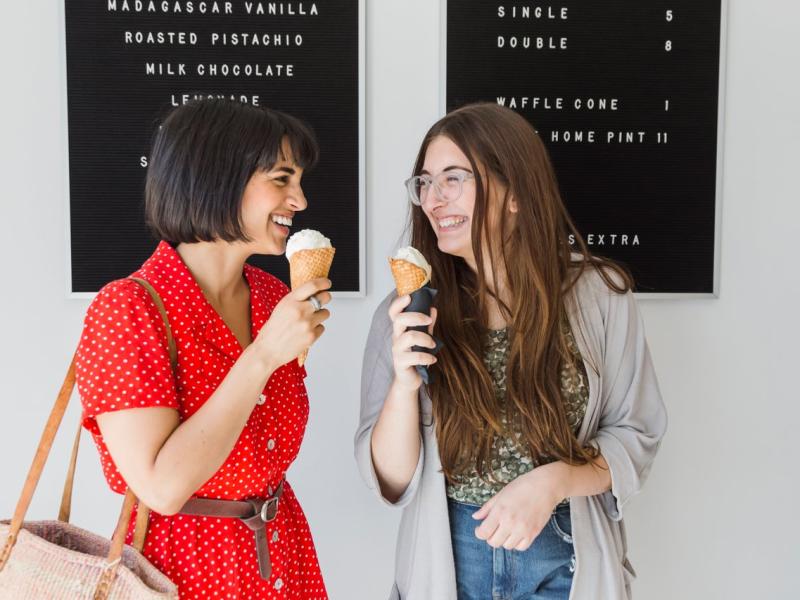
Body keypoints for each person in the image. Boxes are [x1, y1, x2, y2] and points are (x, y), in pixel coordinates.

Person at [356, 103, 667, 600]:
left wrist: (555, 481)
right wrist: (403, 382)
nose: (433, 199)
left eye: (453, 178)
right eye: (425, 183)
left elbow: (636, 435)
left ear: (517, 192)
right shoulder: (405, 314)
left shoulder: (600, 295)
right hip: (452, 559)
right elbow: (393, 482)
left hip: (566, 556)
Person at [75, 98, 330, 599]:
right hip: (182, 569)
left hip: (282, 552)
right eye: (281, 179)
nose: (299, 200)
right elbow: (163, 489)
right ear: (217, 177)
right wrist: (262, 356)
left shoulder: (274, 297)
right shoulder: (126, 309)